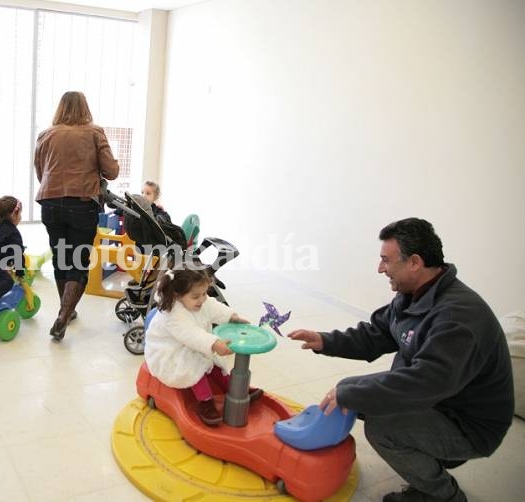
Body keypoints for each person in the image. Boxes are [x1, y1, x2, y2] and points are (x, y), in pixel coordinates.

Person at [288, 218, 514, 502]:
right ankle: (425, 455)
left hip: (468, 424)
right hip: (437, 397)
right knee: (349, 390)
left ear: (415, 262)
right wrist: (325, 340)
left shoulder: (458, 318)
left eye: (386, 260)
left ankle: (443, 496)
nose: (380, 268)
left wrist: (353, 394)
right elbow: (377, 333)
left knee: (382, 427)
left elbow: (424, 383)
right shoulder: (413, 294)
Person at [34, 91, 120, 341]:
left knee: (61, 256)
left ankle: (66, 311)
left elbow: (41, 172)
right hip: (82, 203)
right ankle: (63, 314)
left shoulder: (46, 134)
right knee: (79, 262)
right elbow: (111, 171)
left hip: (49, 201)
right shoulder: (94, 132)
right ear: (85, 107)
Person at [144, 266, 262, 426]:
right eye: (196, 296)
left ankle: (234, 389)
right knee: (193, 366)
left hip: (191, 344)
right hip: (169, 351)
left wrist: (232, 317)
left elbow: (214, 306)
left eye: (204, 293)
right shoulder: (173, 314)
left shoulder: (200, 300)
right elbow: (190, 334)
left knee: (215, 365)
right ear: (177, 295)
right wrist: (214, 343)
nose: (202, 299)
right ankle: (205, 402)